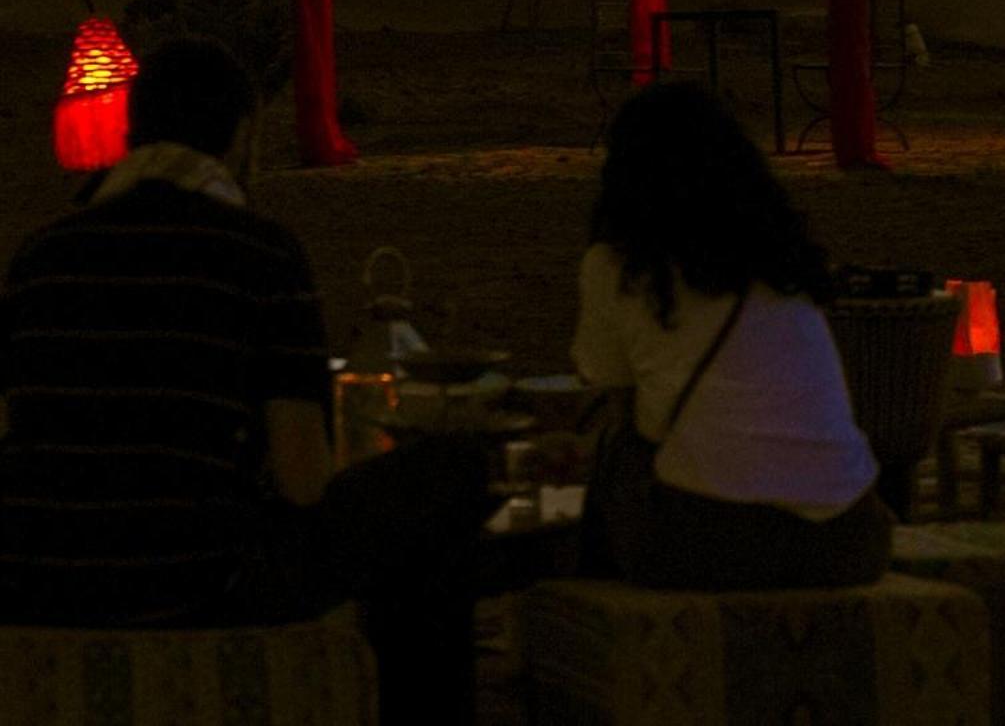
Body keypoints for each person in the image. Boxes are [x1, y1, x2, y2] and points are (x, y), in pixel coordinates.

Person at [0, 36, 544, 725]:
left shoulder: (43, 253)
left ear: (133, 130)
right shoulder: (260, 252)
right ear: (242, 137)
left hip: (37, 577)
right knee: (452, 472)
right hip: (201, 580)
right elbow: (304, 477)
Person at [574, 79, 891, 589]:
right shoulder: (783, 266)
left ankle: (583, 611)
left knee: (619, 451)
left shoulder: (618, 266)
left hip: (709, 543)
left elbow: (621, 400)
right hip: (848, 539)